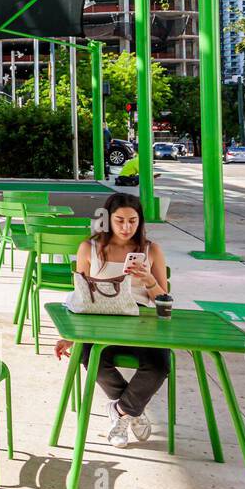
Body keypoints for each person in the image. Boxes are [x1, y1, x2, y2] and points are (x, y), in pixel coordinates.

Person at [54, 192, 171, 448]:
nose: (126, 227)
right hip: (100, 321)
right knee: (90, 357)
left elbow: (165, 303)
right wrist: (70, 335)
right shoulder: (89, 248)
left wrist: (149, 280)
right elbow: (81, 296)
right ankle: (133, 411)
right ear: (107, 220)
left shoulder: (151, 251)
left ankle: (121, 412)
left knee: (160, 365)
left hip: (140, 321)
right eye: (119, 220)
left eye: (133, 220)